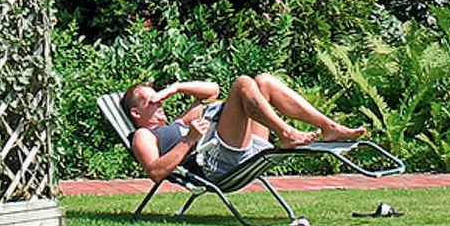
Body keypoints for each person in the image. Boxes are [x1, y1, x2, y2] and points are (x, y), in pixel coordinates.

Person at [124, 73, 366, 184]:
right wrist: (189, 140)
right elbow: (155, 173)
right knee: (242, 84)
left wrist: (175, 88)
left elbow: (212, 90)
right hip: (215, 163)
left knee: (264, 82)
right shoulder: (144, 136)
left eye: (160, 98)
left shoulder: (178, 122)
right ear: (136, 113)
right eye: (152, 101)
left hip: (241, 148)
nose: (160, 102)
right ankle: (287, 134)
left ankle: (329, 127)